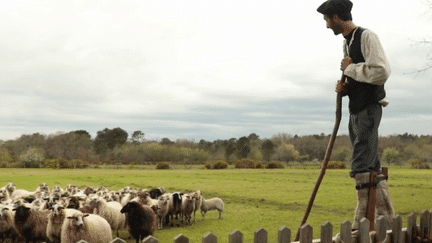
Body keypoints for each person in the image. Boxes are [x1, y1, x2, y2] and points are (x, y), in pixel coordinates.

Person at [317, 0, 394, 231]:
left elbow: (381, 72)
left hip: (369, 108)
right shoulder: (347, 43)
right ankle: (386, 219)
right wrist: (346, 88)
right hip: (356, 109)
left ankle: (361, 223)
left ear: (337, 18)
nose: (326, 25)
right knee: (371, 164)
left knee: (361, 163)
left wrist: (349, 69)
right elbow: (361, 77)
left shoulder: (367, 36)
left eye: (327, 20)